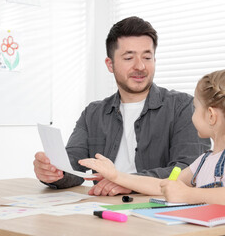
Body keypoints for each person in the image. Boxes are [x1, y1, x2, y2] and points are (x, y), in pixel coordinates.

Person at [33, 16, 210, 196]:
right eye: (128, 58)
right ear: (110, 64)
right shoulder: (93, 113)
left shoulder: (182, 106)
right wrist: (53, 172)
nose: (140, 66)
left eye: (147, 57)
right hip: (103, 206)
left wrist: (129, 182)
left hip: (155, 209)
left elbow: (190, 169)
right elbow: (74, 165)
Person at [79, 69, 225, 208]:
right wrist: (117, 176)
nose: (191, 116)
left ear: (211, 115)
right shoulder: (203, 161)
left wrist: (188, 194)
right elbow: (162, 185)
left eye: (195, 109)